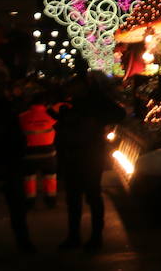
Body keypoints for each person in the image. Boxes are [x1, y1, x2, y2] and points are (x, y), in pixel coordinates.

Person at [54, 71, 125, 252]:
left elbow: (118, 114)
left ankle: (94, 237)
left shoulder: (94, 104)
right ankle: (75, 236)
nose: (73, 90)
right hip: (74, 155)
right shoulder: (69, 105)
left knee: (92, 196)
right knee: (74, 198)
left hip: (89, 155)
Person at [0, 67, 35, 257]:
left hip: (7, 159)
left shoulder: (6, 104)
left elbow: (15, 132)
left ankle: (21, 241)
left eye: (2, 84)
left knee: (16, 205)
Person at [18, 87, 60, 208]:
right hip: (49, 154)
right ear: (45, 102)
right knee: (50, 177)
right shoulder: (52, 116)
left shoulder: (22, 117)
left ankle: (30, 201)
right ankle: (50, 200)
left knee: (29, 178)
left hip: (29, 154)